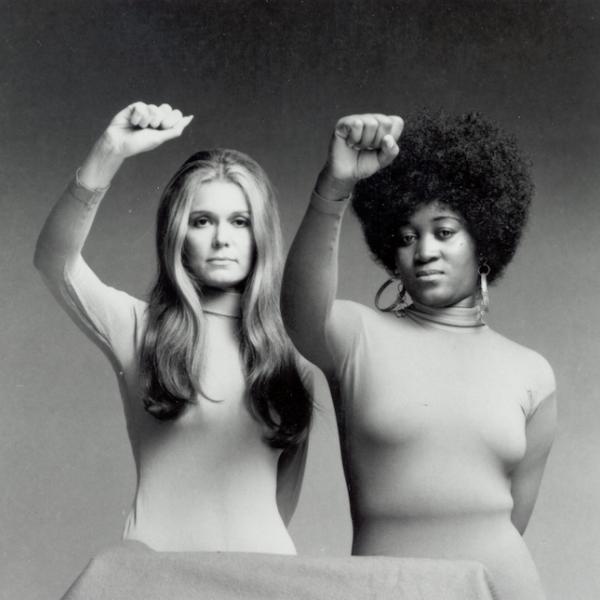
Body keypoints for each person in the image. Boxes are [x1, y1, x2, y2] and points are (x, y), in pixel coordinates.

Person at [281, 112, 556, 599]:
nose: (424, 250)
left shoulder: (532, 372)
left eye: (444, 232)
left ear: (484, 240)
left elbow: (515, 522)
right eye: (407, 237)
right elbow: (298, 310)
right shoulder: (355, 334)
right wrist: (335, 185)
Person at [34, 101, 312, 554]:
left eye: (240, 222)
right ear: (176, 233)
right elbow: (55, 260)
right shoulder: (137, 328)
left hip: (263, 580)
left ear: (261, 233)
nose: (222, 238)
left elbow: (281, 503)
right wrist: (110, 150)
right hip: (154, 580)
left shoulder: (290, 349)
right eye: (202, 221)